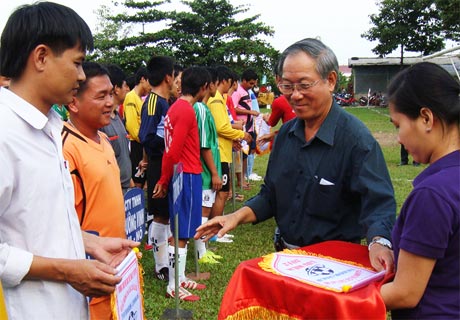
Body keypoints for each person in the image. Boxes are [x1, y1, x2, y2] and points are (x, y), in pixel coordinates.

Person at [196, 38, 396, 273]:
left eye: (304, 85)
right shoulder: (284, 137)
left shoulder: (356, 141)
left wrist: (379, 242)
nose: (295, 96)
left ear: (330, 81)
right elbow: (271, 195)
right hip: (287, 261)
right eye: (287, 86)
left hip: (335, 268)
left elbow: (379, 203)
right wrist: (235, 217)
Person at [0, 3, 137, 319]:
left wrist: (87, 242)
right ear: (41, 57)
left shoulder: (49, 126)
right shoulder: (5, 132)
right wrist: (67, 271)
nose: (80, 75)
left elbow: (36, 223)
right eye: (77, 63)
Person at [380, 62, 460, 319]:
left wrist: (331, 299)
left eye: (397, 126)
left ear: (426, 118)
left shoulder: (433, 195)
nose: (400, 139)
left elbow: (405, 292)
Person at [63, 62, 127, 319]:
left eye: (111, 93)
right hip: (90, 278)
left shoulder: (102, 138)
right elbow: (63, 225)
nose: (110, 102)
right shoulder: (66, 149)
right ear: (74, 103)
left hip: (117, 268)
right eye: (101, 96)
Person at [153, 66, 210, 301]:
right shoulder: (186, 110)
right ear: (204, 87)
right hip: (186, 176)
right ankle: (173, 285)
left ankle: (181, 277)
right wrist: (165, 179)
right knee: (183, 233)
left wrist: (165, 178)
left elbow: (169, 150)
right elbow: (173, 152)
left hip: (185, 175)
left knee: (185, 230)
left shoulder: (177, 107)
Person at [139, 56, 175, 282]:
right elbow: (146, 136)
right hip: (158, 164)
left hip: (167, 164)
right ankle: (160, 265)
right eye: (174, 75)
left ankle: (165, 261)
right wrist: (169, 145)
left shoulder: (165, 102)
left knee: (166, 214)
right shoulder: (153, 102)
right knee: (160, 215)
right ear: (167, 76)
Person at [208, 66, 252, 221]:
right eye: (231, 82)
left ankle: (214, 227)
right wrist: (241, 134)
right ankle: (214, 229)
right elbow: (221, 127)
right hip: (219, 152)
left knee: (222, 192)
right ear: (225, 81)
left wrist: (233, 140)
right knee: (222, 192)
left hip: (223, 150)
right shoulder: (216, 100)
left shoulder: (220, 99)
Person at [193, 67, 223, 262]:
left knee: (205, 208)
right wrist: (214, 173)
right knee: (203, 211)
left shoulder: (201, 108)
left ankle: (203, 250)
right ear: (206, 86)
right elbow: (204, 146)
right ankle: (200, 254)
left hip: (207, 170)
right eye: (213, 84)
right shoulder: (201, 109)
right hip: (204, 172)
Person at [100, 64, 133, 194]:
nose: (127, 89)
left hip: (125, 186)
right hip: (113, 189)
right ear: (116, 89)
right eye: (125, 85)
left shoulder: (118, 117)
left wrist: (130, 182)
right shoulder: (102, 123)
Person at [232, 69, 260, 185]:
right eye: (251, 83)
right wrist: (250, 112)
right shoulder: (237, 91)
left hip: (249, 127)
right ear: (243, 80)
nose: (252, 86)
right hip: (240, 128)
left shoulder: (247, 91)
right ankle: (240, 180)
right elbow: (233, 108)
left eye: (254, 84)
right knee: (241, 154)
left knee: (246, 154)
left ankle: (242, 179)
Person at [124, 66, 151, 188]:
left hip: (142, 144)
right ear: (142, 79)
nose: (151, 86)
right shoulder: (131, 97)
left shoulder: (140, 99)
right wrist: (145, 140)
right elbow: (132, 126)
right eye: (150, 81)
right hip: (136, 145)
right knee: (137, 181)